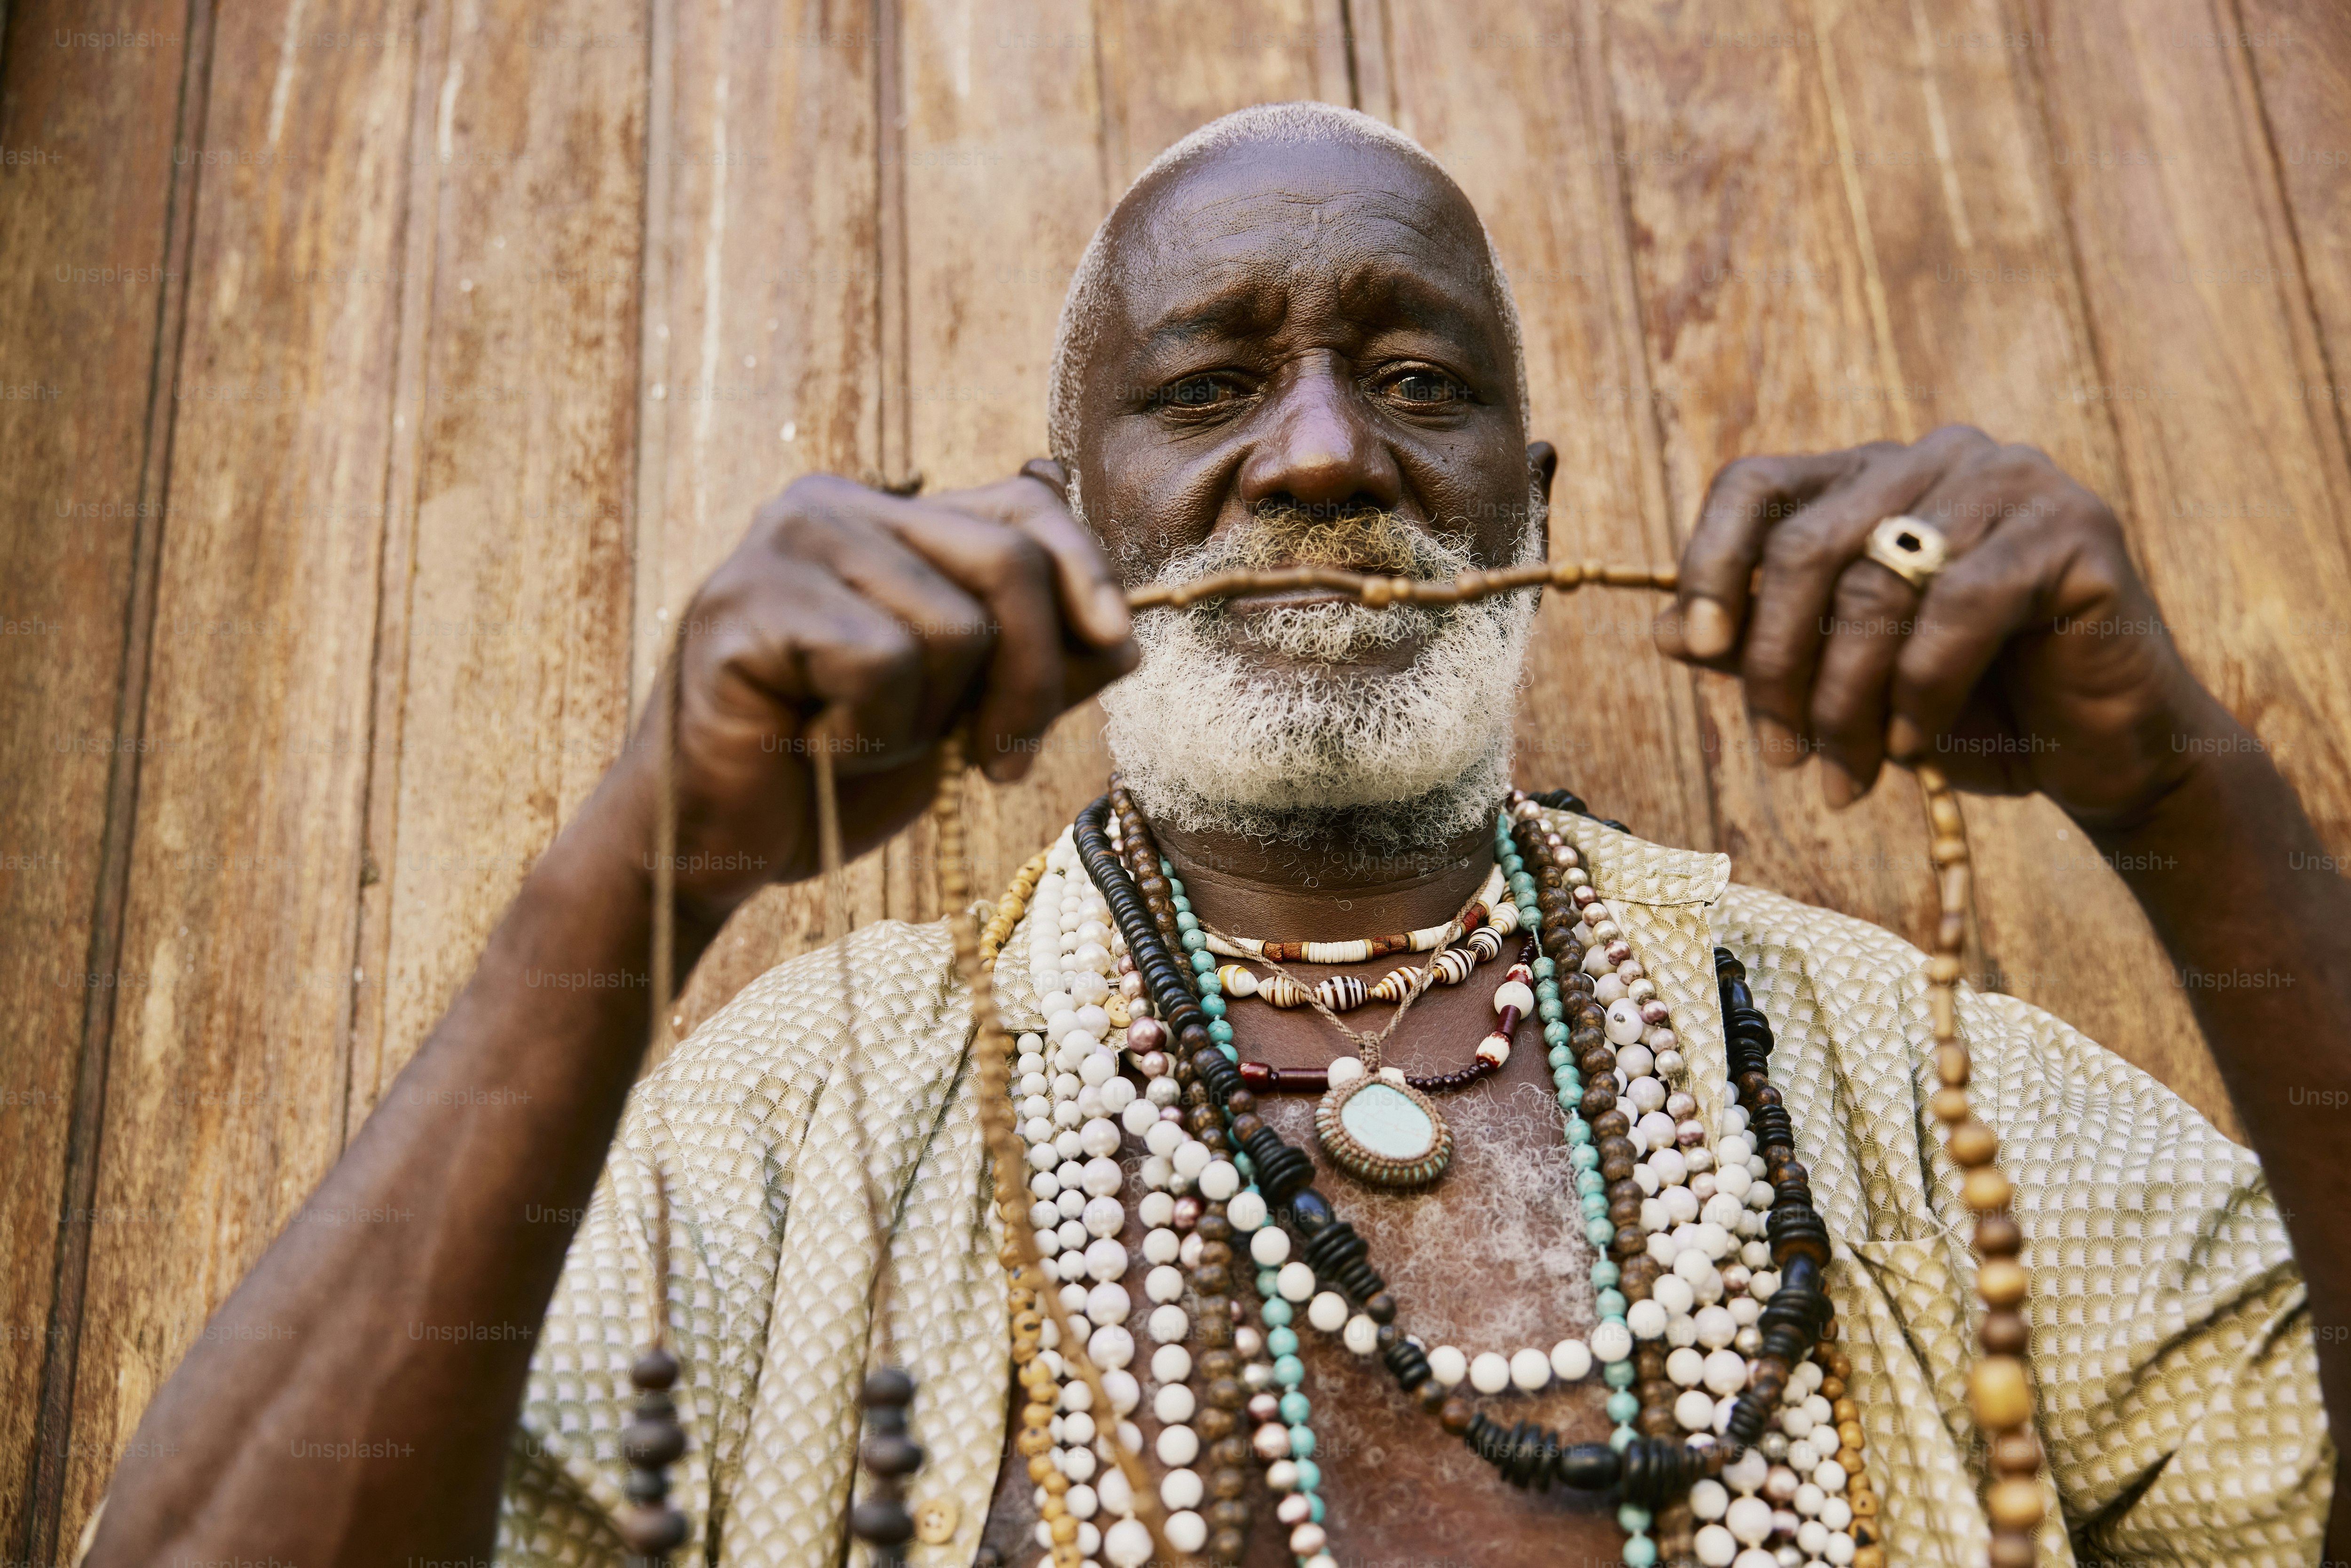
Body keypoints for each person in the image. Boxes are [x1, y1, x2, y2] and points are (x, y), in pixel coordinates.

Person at [83, 103, 2344, 1568]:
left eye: (1424, 382)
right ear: (1069, 530)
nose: (1324, 458)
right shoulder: (795, 1124)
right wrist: (639, 859)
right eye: (1201, 393)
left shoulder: (1870, 1062)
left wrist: (2185, 804)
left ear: (1529, 521)